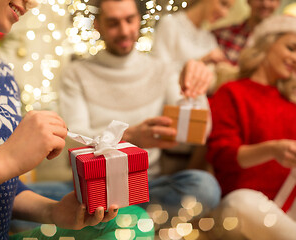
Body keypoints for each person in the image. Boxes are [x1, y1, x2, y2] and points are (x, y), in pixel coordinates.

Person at [0, 0, 130, 239]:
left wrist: (54, 211)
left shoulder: (1, 73)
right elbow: (3, 165)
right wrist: (8, 158)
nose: (32, 3)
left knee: (130, 222)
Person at [59, 0, 221, 220]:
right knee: (20, 199)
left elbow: (197, 134)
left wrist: (196, 87)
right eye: (113, 23)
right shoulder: (76, 73)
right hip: (94, 188)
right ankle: (132, 221)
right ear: (97, 26)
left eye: (130, 20)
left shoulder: (161, 69)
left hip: (146, 186)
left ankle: (109, 221)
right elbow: (73, 145)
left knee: (205, 187)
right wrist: (129, 138)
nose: (125, 31)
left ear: (139, 20)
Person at [207, 15, 296, 240]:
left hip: (289, 206)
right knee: (241, 203)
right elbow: (222, 156)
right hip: (245, 206)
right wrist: (272, 150)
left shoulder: (292, 102)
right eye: (291, 48)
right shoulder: (232, 92)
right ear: (268, 42)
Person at [151, 0, 235, 71]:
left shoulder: (209, 39)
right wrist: (199, 62)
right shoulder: (170, 24)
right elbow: (159, 71)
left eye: (229, 9)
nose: (225, 13)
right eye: (223, 4)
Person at [212, 0, 281, 66]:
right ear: (248, 1)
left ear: (278, 3)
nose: (266, 4)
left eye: (272, 0)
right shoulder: (220, 35)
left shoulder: (280, 42)